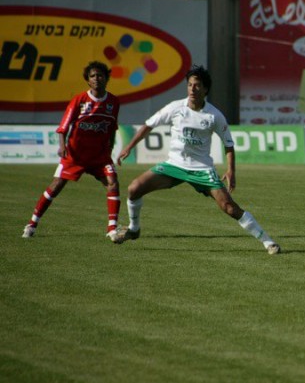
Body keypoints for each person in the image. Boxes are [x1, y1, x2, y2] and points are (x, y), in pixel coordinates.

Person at [113, 65, 280, 255]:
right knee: (134, 188)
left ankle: (268, 242)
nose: (192, 89)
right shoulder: (175, 107)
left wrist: (231, 170)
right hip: (173, 166)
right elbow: (149, 125)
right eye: (190, 85)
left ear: (205, 89)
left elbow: (228, 144)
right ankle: (134, 229)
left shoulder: (214, 115)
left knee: (230, 208)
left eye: (197, 85)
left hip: (202, 170)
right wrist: (129, 147)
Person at [22, 61, 121, 241]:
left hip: (100, 156)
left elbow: (112, 127)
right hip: (76, 155)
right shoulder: (80, 100)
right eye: (93, 76)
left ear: (106, 78)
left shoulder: (113, 102)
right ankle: (32, 224)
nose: (96, 79)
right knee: (56, 185)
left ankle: (112, 229)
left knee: (112, 182)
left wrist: (111, 147)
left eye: (100, 75)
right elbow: (63, 126)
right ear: (88, 80)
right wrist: (63, 146)